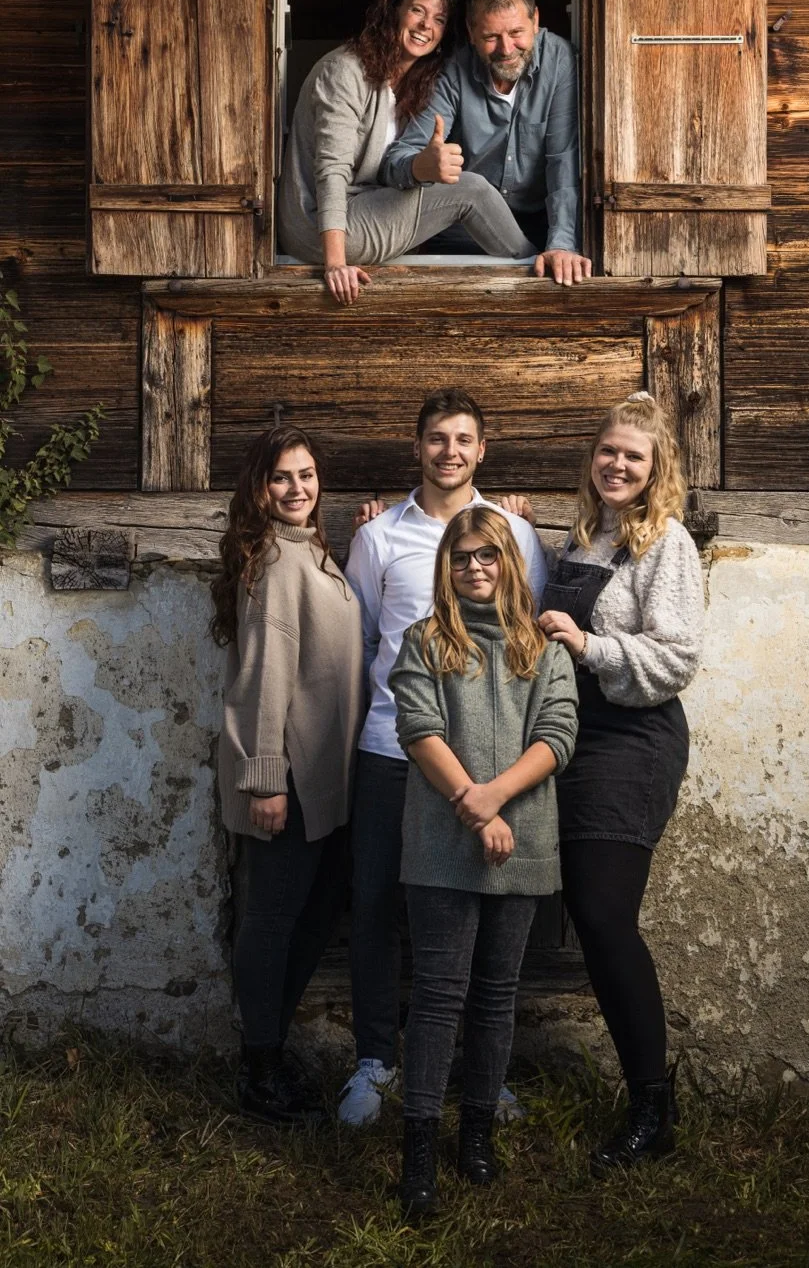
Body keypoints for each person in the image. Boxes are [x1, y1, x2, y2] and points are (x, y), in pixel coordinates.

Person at [502, 391, 704, 1172]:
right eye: (608, 451)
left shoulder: (665, 544)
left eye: (634, 456)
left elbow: (677, 657)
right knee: (582, 910)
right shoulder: (581, 538)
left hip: (631, 738)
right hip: (569, 736)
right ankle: (646, 1100)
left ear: (656, 471)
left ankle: (653, 1106)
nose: (618, 464)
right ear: (593, 460)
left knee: (601, 913)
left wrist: (590, 648)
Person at [338, 387, 548, 1127]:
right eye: (436, 438)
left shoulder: (515, 536)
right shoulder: (377, 539)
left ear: (481, 449)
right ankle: (375, 1061)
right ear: (418, 445)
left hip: (485, 765)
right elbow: (362, 643)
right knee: (373, 904)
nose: (449, 451)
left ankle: (475, 1071)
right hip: (391, 750)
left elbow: (527, 646)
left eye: (462, 439)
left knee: (474, 912)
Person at [390, 507, 578, 1216]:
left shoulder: (544, 650)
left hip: (520, 838)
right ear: (446, 566)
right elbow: (419, 727)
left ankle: (474, 1138)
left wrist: (494, 803)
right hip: (442, 842)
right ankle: (417, 1151)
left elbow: (556, 736)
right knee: (440, 994)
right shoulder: (427, 641)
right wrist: (472, 806)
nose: (474, 568)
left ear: (509, 563)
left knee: (498, 994)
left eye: (488, 556)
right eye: (461, 557)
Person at [210, 424, 364, 1124]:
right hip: (289, 778)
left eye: (305, 475)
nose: (296, 488)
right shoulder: (275, 562)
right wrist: (264, 778)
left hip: (326, 777)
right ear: (259, 489)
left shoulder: (313, 555)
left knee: (315, 912)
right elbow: (261, 678)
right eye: (281, 478)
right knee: (272, 921)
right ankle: (259, 1069)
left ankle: (269, 1050)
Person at [277, 0, 548, 305]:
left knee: (456, 188)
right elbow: (332, 171)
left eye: (438, 19)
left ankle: (529, 267)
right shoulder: (343, 71)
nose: (425, 26)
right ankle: (540, 273)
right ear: (393, 11)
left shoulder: (414, 83)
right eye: (417, 11)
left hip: (364, 210)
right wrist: (335, 263)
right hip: (320, 227)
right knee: (471, 190)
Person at [380, 0, 592, 285]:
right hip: (460, 236)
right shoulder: (453, 68)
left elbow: (563, 161)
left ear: (535, 21)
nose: (506, 49)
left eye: (517, 33)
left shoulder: (560, 61)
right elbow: (396, 161)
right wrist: (421, 166)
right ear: (470, 32)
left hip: (540, 231)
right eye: (491, 37)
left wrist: (561, 244)